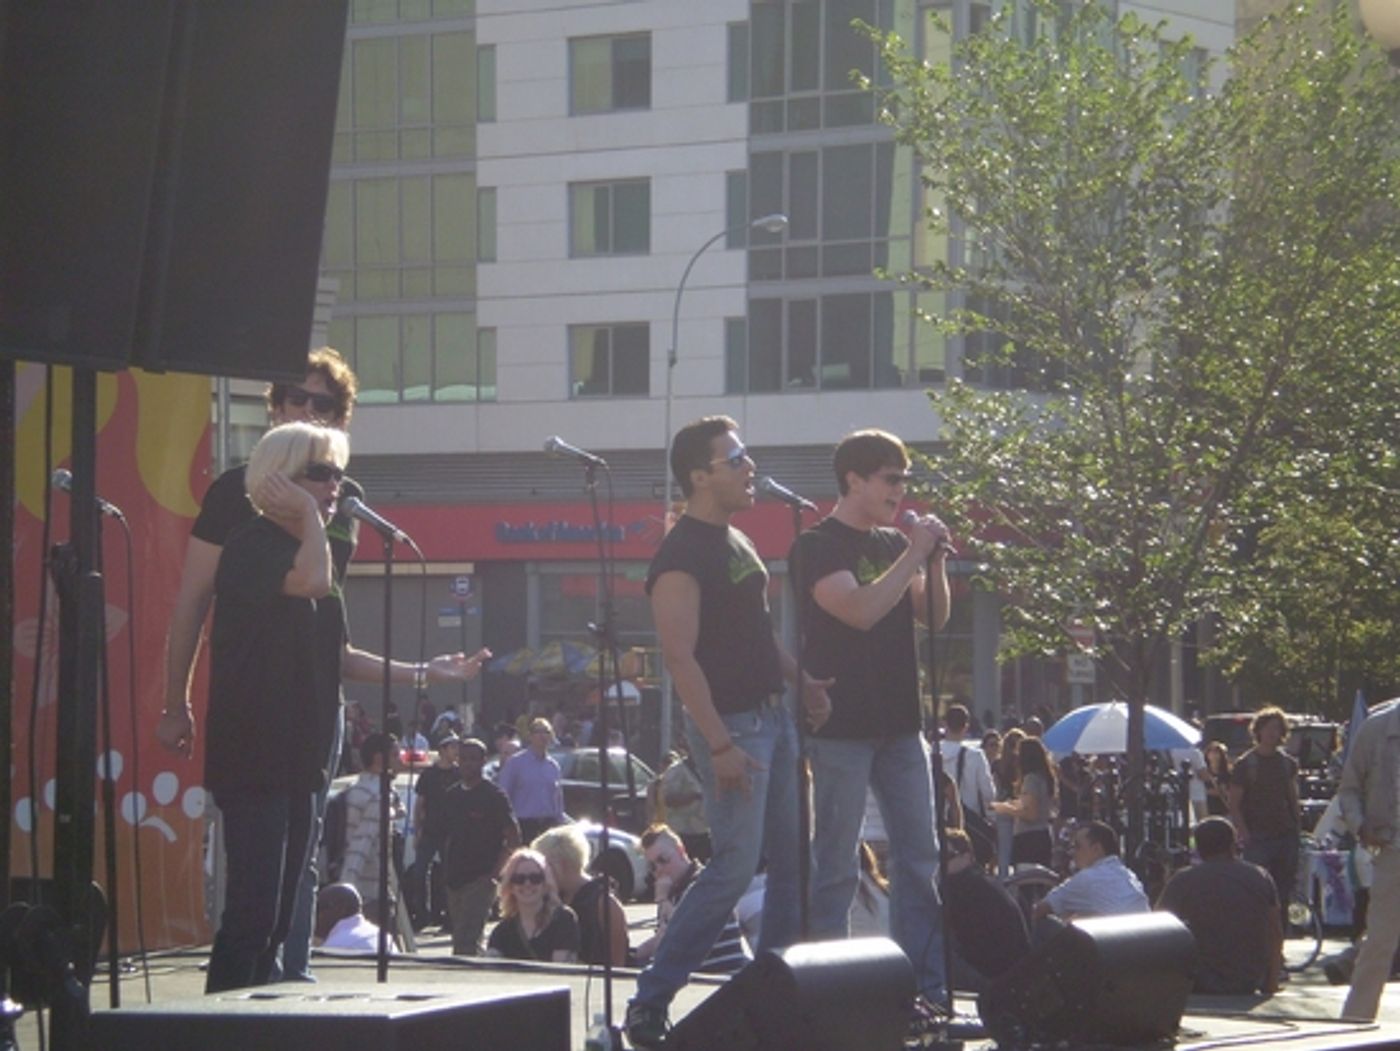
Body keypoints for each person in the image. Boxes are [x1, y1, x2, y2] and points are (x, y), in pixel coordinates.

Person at [625, 416, 830, 1050]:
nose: (750, 468)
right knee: (735, 867)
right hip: (735, 728)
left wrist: (804, 683)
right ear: (699, 475)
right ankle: (650, 1000)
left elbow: (759, 632)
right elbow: (679, 659)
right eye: (736, 458)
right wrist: (718, 746)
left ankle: (775, 997)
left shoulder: (736, 539)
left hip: (775, 716)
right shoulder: (679, 555)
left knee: (795, 865)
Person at [793, 429, 951, 1012]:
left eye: (905, 478)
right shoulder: (819, 545)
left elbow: (931, 616)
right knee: (835, 860)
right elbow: (856, 611)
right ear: (854, 480)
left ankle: (925, 986)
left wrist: (929, 563)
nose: (900, 490)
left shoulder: (893, 542)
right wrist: (912, 552)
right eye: (891, 478)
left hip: (900, 724)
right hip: (841, 727)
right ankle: (831, 989)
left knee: (920, 857)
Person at [1157, 817, 1281, 995]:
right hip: (1248, 978)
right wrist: (1271, 982)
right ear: (1233, 844)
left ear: (1198, 849)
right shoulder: (1259, 876)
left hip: (1198, 979)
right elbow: (1275, 932)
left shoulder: (1182, 880)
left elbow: (1158, 929)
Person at [1337, 698, 1400, 1021]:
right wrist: (1361, 826)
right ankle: (1355, 1023)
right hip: (1393, 850)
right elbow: (1348, 789)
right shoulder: (1376, 728)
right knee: (1380, 941)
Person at [439, 738, 519, 956]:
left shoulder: (494, 796)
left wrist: (494, 874)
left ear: (483, 761)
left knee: (468, 938)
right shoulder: (452, 795)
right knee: (459, 936)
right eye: (463, 759)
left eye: (473, 759)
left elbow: (513, 837)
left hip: (480, 879)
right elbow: (444, 835)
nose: (467, 764)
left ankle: (468, 982)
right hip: (454, 878)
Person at [633, 825, 748, 973]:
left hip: (718, 977)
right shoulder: (672, 890)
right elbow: (662, 941)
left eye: (663, 860)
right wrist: (632, 954)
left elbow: (680, 936)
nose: (659, 869)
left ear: (681, 851)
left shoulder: (704, 884)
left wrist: (662, 899)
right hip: (696, 975)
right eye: (653, 866)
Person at [1227, 707, 1301, 930]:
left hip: (1285, 835)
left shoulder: (1287, 763)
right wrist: (1244, 833)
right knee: (1258, 892)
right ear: (1258, 731)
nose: (1273, 733)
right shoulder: (1245, 764)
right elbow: (1234, 803)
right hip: (1257, 837)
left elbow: (1292, 798)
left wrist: (1297, 829)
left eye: (1278, 729)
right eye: (1269, 728)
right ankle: (1257, 940)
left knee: (1283, 893)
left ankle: (1279, 944)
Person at [942, 829, 1031, 990]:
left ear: (967, 856)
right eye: (937, 858)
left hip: (991, 978)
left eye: (947, 857)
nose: (941, 864)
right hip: (1014, 975)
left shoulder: (963, 887)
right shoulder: (986, 882)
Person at [532, 824, 629, 967]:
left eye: (543, 868)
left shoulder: (604, 903)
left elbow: (618, 963)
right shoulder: (548, 898)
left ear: (561, 865)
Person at [340, 732, 406, 923]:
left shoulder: (357, 790)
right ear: (379, 758)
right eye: (395, 755)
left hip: (367, 890)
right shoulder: (378, 797)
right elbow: (360, 846)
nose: (400, 760)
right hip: (370, 894)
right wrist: (346, 892)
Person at [1032, 820, 1148, 922]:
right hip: (1145, 941)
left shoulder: (1087, 878)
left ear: (1096, 849)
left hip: (1113, 944)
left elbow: (1040, 910)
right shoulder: (1128, 875)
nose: (1072, 853)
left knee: (1045, 926)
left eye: (1077, 846)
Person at [485, 848, 580, 962]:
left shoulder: (563, 919)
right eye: (519, 879)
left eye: (535, 878)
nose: (527, 884)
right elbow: (491, 970)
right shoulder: (502, 932)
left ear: (546, 884)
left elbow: (560, 970)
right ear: (510, 887)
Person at [406, 733, 461, 929]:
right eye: (452, 747)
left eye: (457, 747)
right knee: (420, 873)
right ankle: (422, 915)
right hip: (430, 831)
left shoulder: (459, 774)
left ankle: (449, 918)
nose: (456, 751)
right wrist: (417, 830)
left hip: (451, 833)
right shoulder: (428, 775)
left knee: (450, 876)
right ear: (443, 750)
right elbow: (420, 804)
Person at [497, 718, 565, 844]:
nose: (542, 736)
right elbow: (503, 795)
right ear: (530, 736)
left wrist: (559, 824)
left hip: (547, 826)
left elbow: (558, 800)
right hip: (524, 825)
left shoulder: (553, 766)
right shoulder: (515, 763)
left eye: (546, 732)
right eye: (538, 732)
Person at [992, 736, 1058, 868]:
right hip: (1043, 834)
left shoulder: (1031, 779)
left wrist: (1005, 809)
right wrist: (1014, 803)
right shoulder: (1044, 778)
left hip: (1029, 839)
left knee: (1027, 881)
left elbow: (1031, 814)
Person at [942, 703, 996, 825]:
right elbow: (988, 792)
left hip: (939, 820)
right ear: (966, 726)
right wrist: (991, 817)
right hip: (969, 820)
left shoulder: (931, 754)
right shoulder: (976, 755)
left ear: (945, 724)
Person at [657, 746, 711, 862]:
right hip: (682, 833)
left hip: (704, 832)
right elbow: (669, 799)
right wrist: (693, 796)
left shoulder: (708, 769)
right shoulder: (676, 771)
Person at [314, 882, 380, 952]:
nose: (316, 915)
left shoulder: (335, 945)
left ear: (341, 908)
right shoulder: (382, 936)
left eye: (320, 907)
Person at [1202, 741, 1232, 818]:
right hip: (1208, 808)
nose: (1214, 755)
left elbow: (1229, 791)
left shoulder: (1227, 773)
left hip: (1224, 809)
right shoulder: (1204, 772)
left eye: (1216, 753)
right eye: (1211, 753)